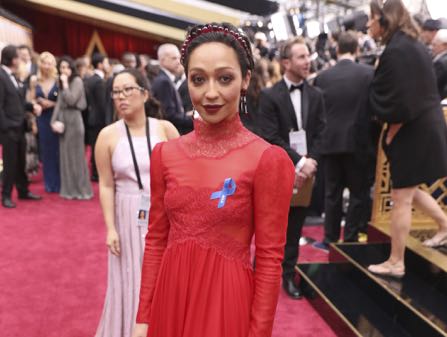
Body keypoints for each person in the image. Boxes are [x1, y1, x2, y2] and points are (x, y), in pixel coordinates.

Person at [132, 23, 295, 337]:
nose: (210, 93)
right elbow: (155, 242)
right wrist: (144, 318)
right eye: (198, 79)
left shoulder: (267, 159)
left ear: (245, 79)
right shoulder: (165, 155)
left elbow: (270, 258)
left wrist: (258, 333)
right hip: (170, 300)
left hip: (226, 306)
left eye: (224, 78)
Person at [94, 68, 179, 337]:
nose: (121, 97)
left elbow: (182, 176)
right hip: (128, 213)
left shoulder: (165, 129)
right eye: (116, 92)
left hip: (163, 211)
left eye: (127, 90)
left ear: (144, 94)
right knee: (132, 276)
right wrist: (110, 228)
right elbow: (106, 185)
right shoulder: (107, 136)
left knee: (165, 276)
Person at [367, 0, 447, 278]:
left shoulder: (399, 49)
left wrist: (393, 130)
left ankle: (396, 261)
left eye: (372, 19)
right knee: (409, 189)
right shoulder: (409, 44)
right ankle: (445, 225)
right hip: (424, 126)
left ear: (384, 19)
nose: (368, 25)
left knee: (401, 195)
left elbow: (400, 99)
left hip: (413, 130)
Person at [257, 37, 325, 299]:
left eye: (308, 56)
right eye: (301, 57)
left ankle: (288, 275)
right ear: (286, 62)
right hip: (278, 170)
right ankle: (262, 272)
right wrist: (299, 161)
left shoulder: (317, 94)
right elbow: (269, 136)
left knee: (296, 227)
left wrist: (311, 162)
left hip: (307, 171)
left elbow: (321, 132)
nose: (307, 61)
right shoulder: (269, 95)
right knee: (271, 226)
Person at [313, 31, 374, 247]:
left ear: (337, 50)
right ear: (357, 50)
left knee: (332, 193)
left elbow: (316, 112)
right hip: (358, 143)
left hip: (329, 143)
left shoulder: (323, 77)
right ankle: (350, 238)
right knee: (358, 193)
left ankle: (330, 238)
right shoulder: (369, 74)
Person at [0, 45, 42, 208]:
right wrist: (5, 127)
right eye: (18, 57)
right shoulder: (2, 76)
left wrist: (31, 107)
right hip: (9, 129)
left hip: (19, 126)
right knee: (10, 163)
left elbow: (17, 102)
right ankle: (6, 196)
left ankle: (23, 191)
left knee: (20, 161)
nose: (21, 60)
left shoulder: (13, 76)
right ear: (12, 59)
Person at [51, 56, 93, 200]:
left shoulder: (77, 81)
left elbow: (71, 100)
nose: (64, 70)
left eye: (67, 67)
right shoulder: (64, 83)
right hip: (63, 121)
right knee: (66, 157)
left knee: (77, 157)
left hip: (75, 121)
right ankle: (69, 190)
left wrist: (65, 84)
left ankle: (82, 190)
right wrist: (53, 121)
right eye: (62, 67)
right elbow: (58, 103)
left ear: (72, 68)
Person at [29, 51, 61, 193]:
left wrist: (52, 104)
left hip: (57, 118)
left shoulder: (58, 80)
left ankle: (60, 182)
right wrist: (37, 102)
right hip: (42, 118)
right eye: (44, 63)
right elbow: (29, 100)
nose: (47, 66)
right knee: (46, 152)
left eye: (50, 63)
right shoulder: (34, 80)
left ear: (53, 64)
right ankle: (49, 183)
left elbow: (63, 101)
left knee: (58, 151)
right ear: (40, 64)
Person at [152, 43, 194, 135]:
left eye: (179, 58)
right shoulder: (164, 81)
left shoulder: (164, 79)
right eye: (174, 58)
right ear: (162, 60)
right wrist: (192, 118)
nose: (178, 62)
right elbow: (169, 115)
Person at [84, 52, 110, 182]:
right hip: (99, 119)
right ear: (100, 65)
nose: (108, 65)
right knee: (98, 147)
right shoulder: (99, 82)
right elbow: (102, 105)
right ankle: (96, 173)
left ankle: (94, 171)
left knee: (94, 146)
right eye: (106, 62)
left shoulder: (89, 79)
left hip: (91, 118)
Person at [432, 29, 447, 100]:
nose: (432, 48)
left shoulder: (441, 62)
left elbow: (434, 83)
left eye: (435, 45)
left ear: (445, 45)